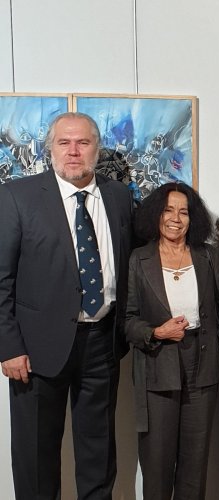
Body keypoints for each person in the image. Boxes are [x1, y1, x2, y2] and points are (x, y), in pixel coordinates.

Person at [0, 112, 134, 500]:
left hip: (102, 343)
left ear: (97, 148)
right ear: (51, 149)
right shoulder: (17, 196)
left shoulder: (119, 196)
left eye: (83, 142)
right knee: (36, 456)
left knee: (99, 453)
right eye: (64, 142)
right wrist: (9, 346)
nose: (73, 151)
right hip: (35, 350)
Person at [125, 182, 219, 500]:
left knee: (194, 468)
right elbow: (127, 321)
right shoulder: (139, 259)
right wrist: (157, 333)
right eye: (168, 210)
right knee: (157, 465)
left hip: (204, 367)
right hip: (157, 367)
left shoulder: (207, 256)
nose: (175, 218)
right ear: (155, 215)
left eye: (183, 212)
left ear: (193, 218)